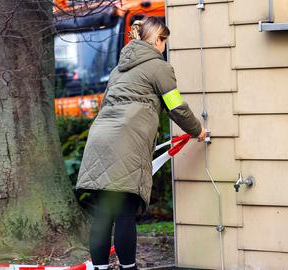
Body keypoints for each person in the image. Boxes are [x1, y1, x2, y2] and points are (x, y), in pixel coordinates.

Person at [76, 17, 206, 270]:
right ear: (157, 39)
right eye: (164, 42)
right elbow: (175, 105)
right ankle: (128, 268)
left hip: (100, 137)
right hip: (127, 141)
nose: (164, 48)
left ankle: (101, 268)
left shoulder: (118, 69)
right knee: (124, 211)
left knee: (104, 213)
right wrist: (197, 129)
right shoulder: (159, 67)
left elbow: (106, 105)